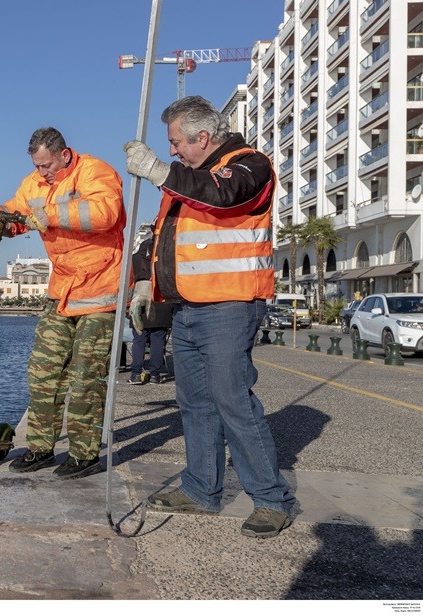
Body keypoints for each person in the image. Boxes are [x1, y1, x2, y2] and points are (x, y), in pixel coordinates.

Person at [123, 96, 295, 538]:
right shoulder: (190, 181)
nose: (174, 151)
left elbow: (225, 197)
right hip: (187, 308)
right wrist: (146, 280)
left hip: (229, 305)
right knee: (195, 403)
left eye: (177, 143)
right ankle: (201, 489)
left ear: (203, 137)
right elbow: (165, 238)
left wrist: (159, 171)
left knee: (232, 400)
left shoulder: (250, 166)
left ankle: (271, 500)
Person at [0, 127, 125, 480]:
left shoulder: (94, 171)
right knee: (43, 373)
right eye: (37, 166)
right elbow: (13, 217)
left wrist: (51, 216)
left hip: (100, 290)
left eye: (46, 165)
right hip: (61, 292)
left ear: (64, 154)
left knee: (86, 378)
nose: (42, 172)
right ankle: (41, 448)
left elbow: (106, 212)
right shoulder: (33, 184)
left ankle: (84, 455)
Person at [126, 223, 172, 386]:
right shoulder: (166, 249)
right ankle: (155, 374)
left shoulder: (136, 254)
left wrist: (128, 303)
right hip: (161, 297)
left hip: (139, 295)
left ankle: (136, 373)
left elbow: (130, 280)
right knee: (158, 337)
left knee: (139, 337)